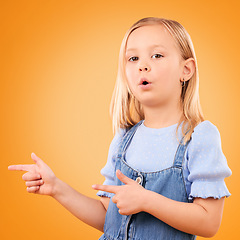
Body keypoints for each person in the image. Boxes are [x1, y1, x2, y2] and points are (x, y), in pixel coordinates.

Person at [8, 17, 231, 239]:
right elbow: (108, 218)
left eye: (157, 55)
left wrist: (146, 200)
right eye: (133, 58)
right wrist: (56, 187)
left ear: (186, 70)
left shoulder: (199, 137)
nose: (143, 65)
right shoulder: (124, 139)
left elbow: (209, 222)